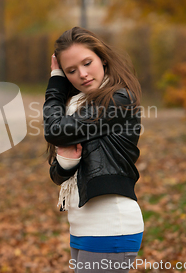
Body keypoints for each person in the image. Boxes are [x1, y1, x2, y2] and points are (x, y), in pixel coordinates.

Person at [43, 27, 144, 273]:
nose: (83, 74)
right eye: (71, 71)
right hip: (81, 226)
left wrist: (55, 81)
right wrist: (67, 163)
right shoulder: (76, 107)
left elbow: (54, 131)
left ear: (103, 59)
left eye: (87, 63)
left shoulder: (118, 99)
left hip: (110, 226)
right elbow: (57, 175)